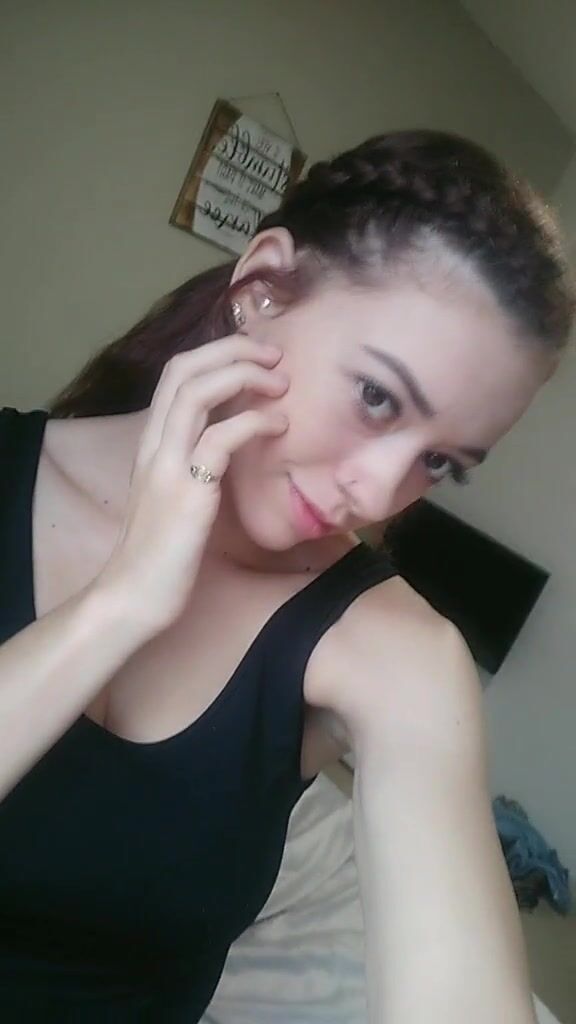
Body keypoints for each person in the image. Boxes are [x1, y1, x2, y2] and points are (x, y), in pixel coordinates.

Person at [0, 130, 572, 1023]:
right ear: (261, 288)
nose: (377, 496)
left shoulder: (400, 652)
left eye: (441, 463)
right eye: (376, 397)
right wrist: (121, 604)